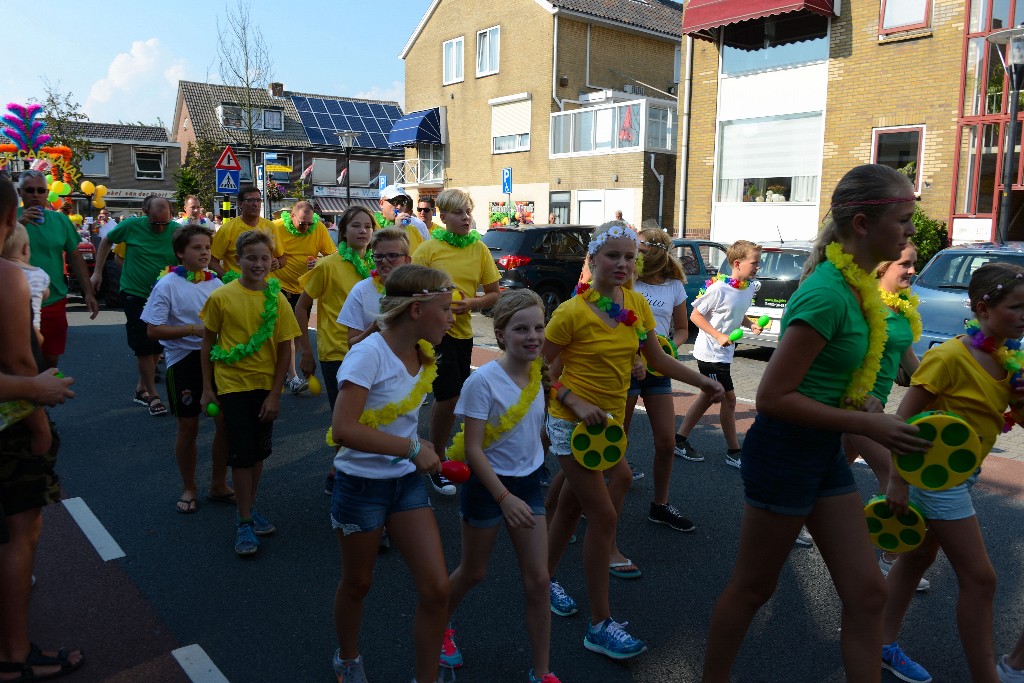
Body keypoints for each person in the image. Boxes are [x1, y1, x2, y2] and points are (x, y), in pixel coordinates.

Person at [701, 164, 930, 682]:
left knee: (869, 592)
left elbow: (836, 382)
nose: (911, 233)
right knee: (753, 588)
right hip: (784, 453)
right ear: (864, 224)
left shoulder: (862, 290)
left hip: (822, 452)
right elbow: (773, 397)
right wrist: (866, 424)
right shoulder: (826, 293)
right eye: (904, 220)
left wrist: (863, 407)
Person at [543, 220, 724, 660]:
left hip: (604, 427)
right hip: (572, 423)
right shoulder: (571, 313)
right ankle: (600, 624)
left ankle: (541, 578)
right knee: (602, 515)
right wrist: (572, 398)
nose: (623, 264)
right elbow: (539, 371)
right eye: (613, 256)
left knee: (584, 498)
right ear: (592, 261)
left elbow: (658, 357)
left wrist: (702, 381)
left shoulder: (638, 306)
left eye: (629, 256)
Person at [880, 261, 1024, 683]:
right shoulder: (948, 357)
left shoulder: (1008, 359)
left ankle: (878, 641)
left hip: (963, 474)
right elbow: (903, 421)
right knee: (981, 580)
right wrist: (895, 482)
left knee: (918, 556)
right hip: (933, 479)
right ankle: (990, 677)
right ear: (983, 308)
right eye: (1016, 307)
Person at [329, 264, 451, 683]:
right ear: (416, 309)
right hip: (360, 486)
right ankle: (348, 658)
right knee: (358, 582)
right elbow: (343, 429)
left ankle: (426, 677)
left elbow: (396, 418)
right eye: (446, 309)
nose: (452, 318)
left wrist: (420, 444)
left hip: (405, 485)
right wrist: (413, 447)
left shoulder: (422, 354)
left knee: (436, 589)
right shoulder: (367, 353)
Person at [440, 290, 561, 682]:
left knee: (539, 580)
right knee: (474, 572)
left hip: (527, 485)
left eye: (539, 328)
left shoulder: (538, 371)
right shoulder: (484, 382)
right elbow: (473, 450)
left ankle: (541, 671)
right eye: (521, 329)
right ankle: (439, 624)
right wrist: (503, 497)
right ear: (500, 334)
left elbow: (535, 426)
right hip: (488, 487)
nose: (533, 336)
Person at [0, 174, 84, 682]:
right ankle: (13, 653)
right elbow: (16, 359)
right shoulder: (10, 277)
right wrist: (39, 413)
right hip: (7, 426)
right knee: (18, 534)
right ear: (10, 220)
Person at [200, 230, 301, 555]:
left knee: (258, 452)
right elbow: (207, 343)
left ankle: (249, 506)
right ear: (238, 260)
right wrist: (207, 389)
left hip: (264, 387)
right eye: (251, 258)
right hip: (232, 386)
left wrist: (275, 393)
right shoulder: (221, 297)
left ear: (272, 261)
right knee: (242, 454)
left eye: (264, 258)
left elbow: (286, 348)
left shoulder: (278, 298)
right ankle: (244, 521)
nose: (258, 264)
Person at [840, 244, 930, 592]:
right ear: (882, 268)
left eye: (913, 265)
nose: (911, 271)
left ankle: (794, 520)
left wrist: (938, 389)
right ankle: (890, 556)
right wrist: (855, 397)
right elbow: (846, 354)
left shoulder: (903, 309)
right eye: (904, 264)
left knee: (826, 470)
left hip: (874, 407)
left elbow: (908, 358)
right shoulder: (866, 305)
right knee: (894, 472)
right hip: (856, 407)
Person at [412, 188, 501, 496]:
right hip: (434, 333)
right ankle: (437, 458)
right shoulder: (428, 249)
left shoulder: (479, 249)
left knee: (459, 397)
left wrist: (471, 305)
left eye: (468, 212)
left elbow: (494, 292)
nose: (466, 217)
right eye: (459, 213)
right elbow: (411, 288)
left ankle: (442, 450)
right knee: (448, 396)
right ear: (443, 216)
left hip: (463, 332)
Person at [141, 224, 233, 514]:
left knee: (225, 426)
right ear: (180, 253)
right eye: (197, 247)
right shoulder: (167, 284)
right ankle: (189, 487)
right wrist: (193, 329)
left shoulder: (216, 283)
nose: (204, 252)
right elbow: (153, 330)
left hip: (217, 359)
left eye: (207, 247)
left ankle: (218, 484)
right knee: (188, 427)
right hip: (184, 362)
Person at [621, 227, 694, 532]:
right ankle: (590, 498)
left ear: (655, 251)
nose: (635, 253)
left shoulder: (675, 286)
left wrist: (669, 348)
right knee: (615, 438)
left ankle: (660, 505)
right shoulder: (628, 282)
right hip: (625, 365)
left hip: (658, 368)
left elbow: (681, 329)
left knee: (666, 442)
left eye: (639, 248)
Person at [675, 239, 764, 468]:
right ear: (737, 263)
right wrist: (717, 335)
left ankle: (679, 440)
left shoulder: (746, 288)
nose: (758, 267)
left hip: (724, 354)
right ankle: (734, 451)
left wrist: (750, 323)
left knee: (708, 397)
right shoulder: (718, 288)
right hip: (710, 354)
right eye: (755, 263)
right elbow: (695, 316)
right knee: (729, 399)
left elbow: (735, 313)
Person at [91, 196, 179, 416]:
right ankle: (152, 396)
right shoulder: (130, 226)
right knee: (143, 345)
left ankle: (141, 389)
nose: (160, 229)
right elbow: (106, 242)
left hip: (164, 297)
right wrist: (97, 272)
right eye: (155, 223)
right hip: (135, 293)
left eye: (164, 224)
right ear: (145, 213)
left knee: (158, 346)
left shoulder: (177, 231)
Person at [295, 206, 375, 413]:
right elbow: (301, 307)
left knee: (372, 419)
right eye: (356, 225)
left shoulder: (378, 266)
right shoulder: (327, 265)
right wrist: (306, 351)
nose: (363, 231)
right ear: (343, 232)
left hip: (372, 351)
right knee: (345, 422)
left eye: (367, 226)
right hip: (337, 354)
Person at [16, 170, 99, 368]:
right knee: (20, 361)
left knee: (50, 359)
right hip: (16, 302)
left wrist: (88, 292)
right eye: (30, 190)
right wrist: (19, 224)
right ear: (20, 192)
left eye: (40, 190)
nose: (36, 195)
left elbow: (75, 256)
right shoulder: (8, 217)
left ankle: (41, 394)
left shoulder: (60, 220)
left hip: (53, 300)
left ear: (46, 193)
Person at [272, 200, 337, 394]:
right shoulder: (276, 228)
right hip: (278, 286)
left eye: (310, 223)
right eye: (302, 223)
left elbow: (332, 254)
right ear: (292, 217)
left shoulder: (318, 229)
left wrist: (319, 261)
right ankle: (292, 377)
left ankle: (282, 370)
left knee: (298, 334)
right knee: (286, 333)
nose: (306, 227)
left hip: (303, 288)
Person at [337, 227, 412, 348]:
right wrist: (374, 328)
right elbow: (352, 343)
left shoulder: (418, 289)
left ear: (407, 260)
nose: (384, 261)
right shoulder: (361, 290)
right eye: (378, 256)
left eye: (392, 256)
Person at [210, 186, 284, 280]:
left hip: (263, 287)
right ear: (240, 204)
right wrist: (228, 279)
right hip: (237, 288)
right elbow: (212, 261)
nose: (255, 204)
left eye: (258, 200)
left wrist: (278, 263)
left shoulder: (270, 226)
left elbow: (282, 257)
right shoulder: (227, 228)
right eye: (250, 200)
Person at [3, 223, 50, 344]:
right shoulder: (39, 275)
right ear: (25, 249)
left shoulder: (3, 272)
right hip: (32, 333)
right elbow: (45, 295)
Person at [376, 185, 429, 254]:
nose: (399, 207)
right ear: (381, 203)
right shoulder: (371, 225)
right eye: (394, 202)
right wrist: (397, 229)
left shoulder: (414, 230)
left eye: (403, 202)